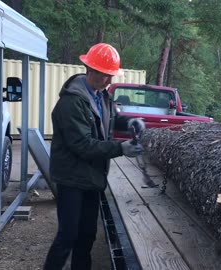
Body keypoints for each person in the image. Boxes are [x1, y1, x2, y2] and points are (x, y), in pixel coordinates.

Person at [44, 43, 144, 270]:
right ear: (90, 69)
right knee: (68, 235)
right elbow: (82, 145)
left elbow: (109, 120)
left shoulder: (101, 96)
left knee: (87, 235)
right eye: (105, 75)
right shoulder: (71, 102)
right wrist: (121, 149)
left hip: (92, 177)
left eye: (111, 76)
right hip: (72, 178)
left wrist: (131, 122)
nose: (109, 81)